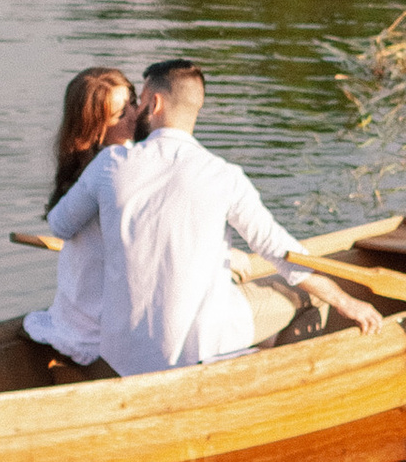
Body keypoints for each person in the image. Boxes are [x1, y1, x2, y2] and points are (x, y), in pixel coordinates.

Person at [45, 56, 381, 376]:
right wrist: (345, 300)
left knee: (235, 278)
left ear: (156, 104)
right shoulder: (225, 176)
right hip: (201, 344)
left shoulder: (109, 165)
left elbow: (60, 224)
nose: (135, 113)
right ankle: (274, 384)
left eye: (139, 101)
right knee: (311, 296)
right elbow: (281, 252)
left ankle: (258, 355)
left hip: (122, 354)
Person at [22, 63, 138, 373]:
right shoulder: (113, 172)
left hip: (76, 318)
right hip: (97, 330)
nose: (135, 115)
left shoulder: (86, 170)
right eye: (122, 113)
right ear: (94, 129)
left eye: (133, 103)